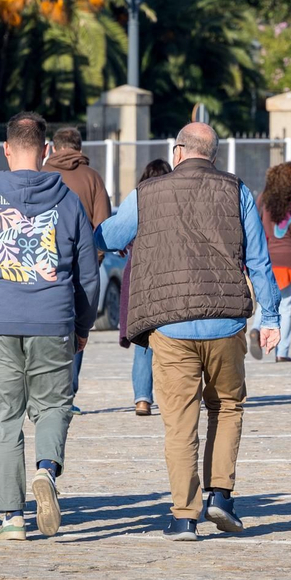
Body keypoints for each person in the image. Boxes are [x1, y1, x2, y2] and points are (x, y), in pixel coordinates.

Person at [95, 122, 281, 543]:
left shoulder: (147, 193)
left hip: (172, 324)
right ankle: (221, 495)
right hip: (226, 321)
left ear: (177, 152)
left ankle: (184, 517)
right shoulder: (238, 192)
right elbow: (258, 260)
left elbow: (107, 236)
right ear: (212, 155)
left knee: (179, 422)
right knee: (228, 406)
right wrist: (270, 318)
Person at [0, 112, 98, 543]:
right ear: (46, 150)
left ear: (7, 150)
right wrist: (82, 324)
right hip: (53, 320)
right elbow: (88, 274)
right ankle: (46, 470)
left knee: (5, 421)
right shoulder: (67, 200)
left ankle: (12, 517)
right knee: (53, 406)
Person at [45, 127, 112, 412]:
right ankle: (67, 394)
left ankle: (44, 393)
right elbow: (103, 226)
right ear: (80, 148)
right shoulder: (92, 178)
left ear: (53, 148)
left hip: (43, 265)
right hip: (80, 269)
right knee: (78, 325)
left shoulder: (42, 174)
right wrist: (93, 260)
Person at [120, 160, 172, 413]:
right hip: (169, 274)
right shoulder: (177, 202)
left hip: (140, 274)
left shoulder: (137, 200)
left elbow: (119, 233)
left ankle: (142, 398)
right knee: (172, 338)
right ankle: (173, 396)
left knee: (144, 339)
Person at [252, 162, 291, 359]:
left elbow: (254, 228)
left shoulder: (262, 201)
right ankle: (282, 352)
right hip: (287, 260)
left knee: (263, 302)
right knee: (286, 306)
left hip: (266, 259)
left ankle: (256, 329)